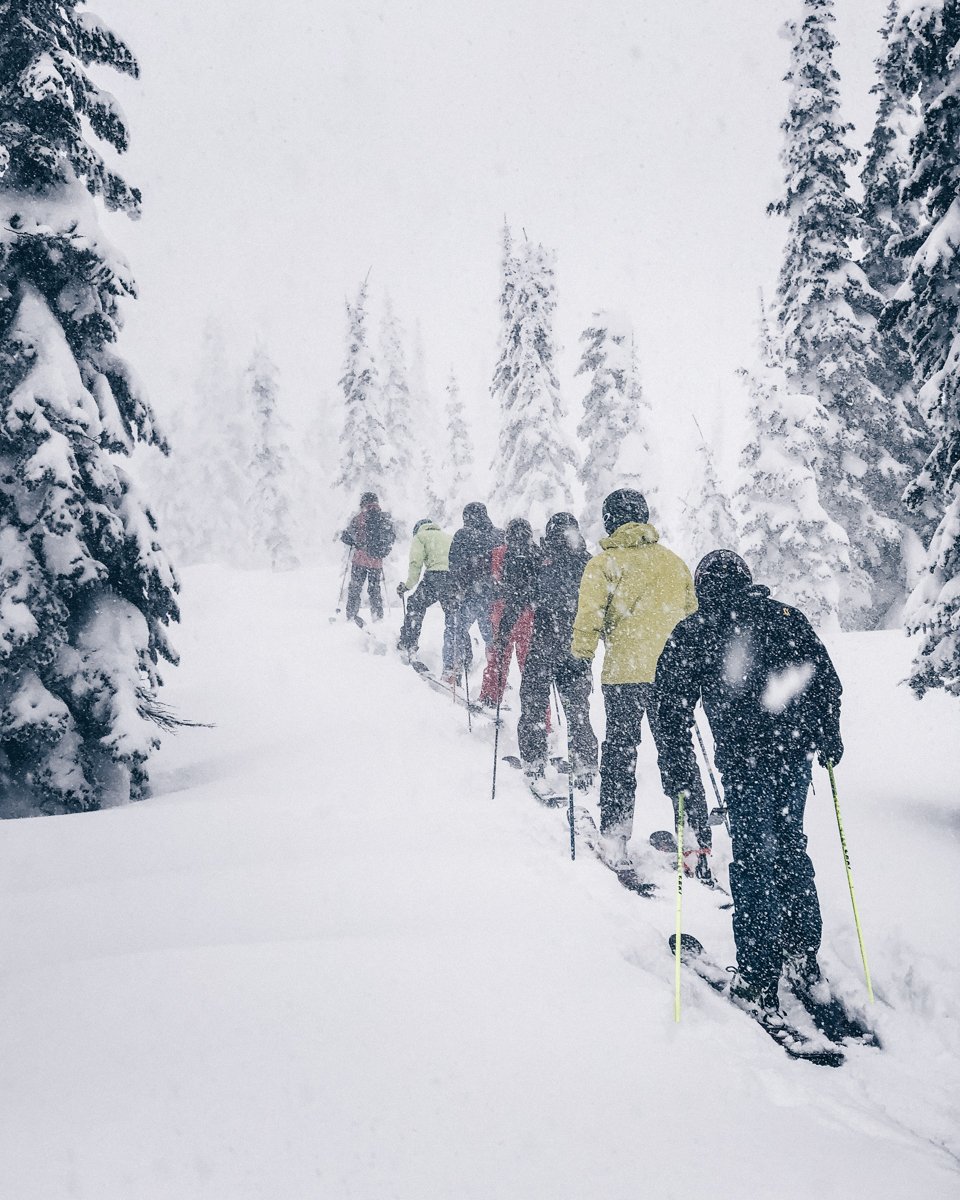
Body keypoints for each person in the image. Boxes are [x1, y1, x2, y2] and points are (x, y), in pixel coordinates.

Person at [654, 550, 843, 1019]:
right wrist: (827, 731)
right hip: (790, 753)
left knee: (757, 853)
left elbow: (668, 708)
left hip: (746, 761)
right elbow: (823, 681)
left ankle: (760, 977)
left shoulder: (696, 631)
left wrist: (676, 767)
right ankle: (801, 954)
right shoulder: (783, 617)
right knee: (788, 846)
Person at [570, 488, 707, 870]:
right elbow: (692, 618)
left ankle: (615, 836)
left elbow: (589, 617)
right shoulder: (674, 564)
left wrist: (580, 657)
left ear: (611, 520)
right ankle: (695, 840)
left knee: (620, 753)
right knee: (678, 754)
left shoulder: (604, 565)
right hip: (672, 677)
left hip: (626, 674)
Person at [517, 513, 598, 784]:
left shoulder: (540, 561)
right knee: (578, 710)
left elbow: (524, 596)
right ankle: (584, 764)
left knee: (533, 703)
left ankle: (534, 762)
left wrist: (504, 633)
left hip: (544, 645)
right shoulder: (587, 562)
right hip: (577, 646)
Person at [480, 517, 542, 706]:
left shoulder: (498, 553)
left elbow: (490, 584)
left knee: (498, 660)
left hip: (503, 613)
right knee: (531, 668)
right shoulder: (537, 554)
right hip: (529, 616)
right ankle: (540, 714)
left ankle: (490, 699)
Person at [447, 502, 504, 686]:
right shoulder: (499, 535)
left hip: (469, 594)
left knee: (456, 630)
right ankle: (497, 676)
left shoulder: (462, 535)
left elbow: (454, 566)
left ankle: (453, 669)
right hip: (493, 595)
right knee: (493, 637)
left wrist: (455, 590)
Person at [396, 518, 457, 673]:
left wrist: (408, 586)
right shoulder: (448, 537)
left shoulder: (420, 537)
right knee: (453, 617)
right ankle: (462, 655)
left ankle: (408, 643)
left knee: (415, 604)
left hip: (434, 577)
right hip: (452, 579)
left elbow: (415, 563)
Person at [340, 492, 395, 625]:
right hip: (376, 562)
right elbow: (391, 537)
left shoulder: (359, 518)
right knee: (374, 589)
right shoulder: (384, 518)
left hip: (360, 559)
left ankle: (351, 616)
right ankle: (378, 617)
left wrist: (352, 541)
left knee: (355, 588)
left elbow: (347, 536)